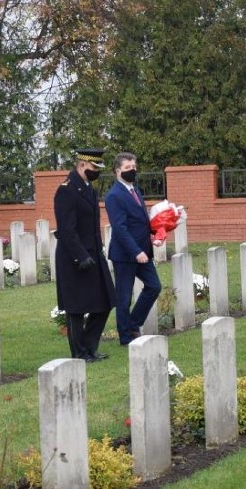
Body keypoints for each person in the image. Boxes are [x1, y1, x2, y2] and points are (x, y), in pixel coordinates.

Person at [53, 148, 116, 362]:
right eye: (93, 168)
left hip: (94, 254)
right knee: (76, 309)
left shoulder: (88, 188)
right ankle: (79, 353)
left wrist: (97, 252)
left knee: (105, 302)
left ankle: (90, 347)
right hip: (74, 258)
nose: (96, 171)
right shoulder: (67, 190)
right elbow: (66, 230)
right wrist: (80, 256)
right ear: (81, 165)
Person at [104, 152, 162, 346]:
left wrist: (155, 234)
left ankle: (133, 324)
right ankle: (126, 337)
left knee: (154, 286)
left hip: (143, 250)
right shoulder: (114, 196)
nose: (132, 170)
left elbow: (141, 221)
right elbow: (120, 228)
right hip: (126, 254)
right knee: (124, 297)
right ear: (118, 171)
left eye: (134, 167)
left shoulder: (135, 190)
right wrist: (136, 251)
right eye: (128, 168)